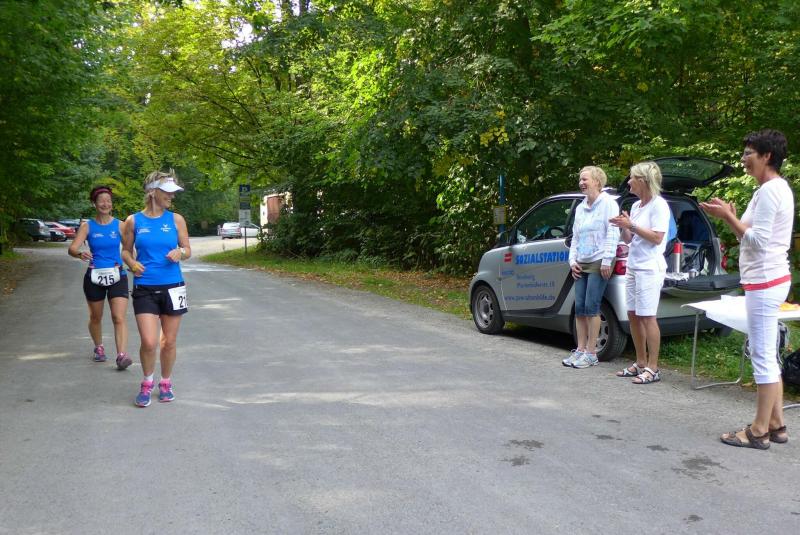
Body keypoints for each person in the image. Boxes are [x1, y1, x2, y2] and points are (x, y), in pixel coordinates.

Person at [701, 129, 793, 449]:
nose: (743, 159)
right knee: (767, 353)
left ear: (767, 156)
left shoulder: (771, 191)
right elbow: (747, 236)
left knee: (762, 356)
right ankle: (777, 425)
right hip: (767, 280)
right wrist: (731, 217)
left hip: (766, 282)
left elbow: (758, 241)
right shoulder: (768, 189)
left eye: (749, 153)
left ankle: (758, 431)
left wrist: (728, 216)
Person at [121, 170, 191, 408]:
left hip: (173, 286)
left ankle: (166, 382)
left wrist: (180, 252)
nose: (172, 196)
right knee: (149, 341)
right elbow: (125, 251)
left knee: (168, 342)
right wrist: (132, 263)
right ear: (152, 192)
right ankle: (147, 382)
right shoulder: (133, 221)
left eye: (173, 193)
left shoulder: (176, 220)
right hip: (145, 287)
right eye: (167, 192)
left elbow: (188, 250)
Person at [609, 162, 671, 384]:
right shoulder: (636, 206)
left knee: (647, 316)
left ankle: (653, 368)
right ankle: (640, 362)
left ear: (643, 181)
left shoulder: (659, 205)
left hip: (649, 268)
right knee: (633, 315)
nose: (628, 182)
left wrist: (632, 225)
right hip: (633, 266)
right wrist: (623, 226)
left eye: (632, 178)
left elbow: (657, 238)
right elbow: (630, 240)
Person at [67, 185, 131, 369]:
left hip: (117, 274)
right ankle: (99, 347)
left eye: (108, 201)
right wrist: (80, 254)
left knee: (118, 317)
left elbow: (129, 249)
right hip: (94, 276)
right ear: (94, 204)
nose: (105, 204)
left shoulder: (120, 225)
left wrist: (133, 263)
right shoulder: (87, 226)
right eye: (101, 201)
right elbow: (72, 248)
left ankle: (121, 355)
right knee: (96, 316)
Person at [562, 166, 620, 368]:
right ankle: (580, 349)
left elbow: (613, 232)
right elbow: (576, 237)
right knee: (580, 308)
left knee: (591, 307)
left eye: (585, 179)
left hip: (599, 259)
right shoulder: (580, 207)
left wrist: (607, 260)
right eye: (580, 179)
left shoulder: (609, 204)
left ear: (597, 181)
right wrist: (572, 262)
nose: (581, 183)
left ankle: (591, 353)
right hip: (582, 261)